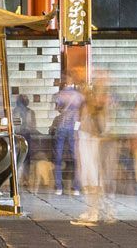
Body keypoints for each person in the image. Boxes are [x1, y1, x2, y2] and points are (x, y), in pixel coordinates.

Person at [73, 76, 116, 225]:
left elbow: (102, 129)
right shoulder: (86, 106)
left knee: (93, 179)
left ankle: (96, 212)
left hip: (92, 144)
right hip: (85, 143)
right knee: (87, 179)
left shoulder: (98, 109)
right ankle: (91, 210)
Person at [52, 79, 83, 196]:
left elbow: (58, 109)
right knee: (76, 158)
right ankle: (76, 187)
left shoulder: (60, 95)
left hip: (61, 126)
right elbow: (81, 110)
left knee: (58, 158)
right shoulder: (78, 95)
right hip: (74, 127)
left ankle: (58, 187)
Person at [13, 94, 37, 185]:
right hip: (21, 135)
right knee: (21, 157)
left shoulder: (16, 111)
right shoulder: (28, 112)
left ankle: (24, 179)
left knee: (24, 157)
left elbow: (33, 126)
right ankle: (22, 179)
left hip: (23, 135)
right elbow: (33, 126)